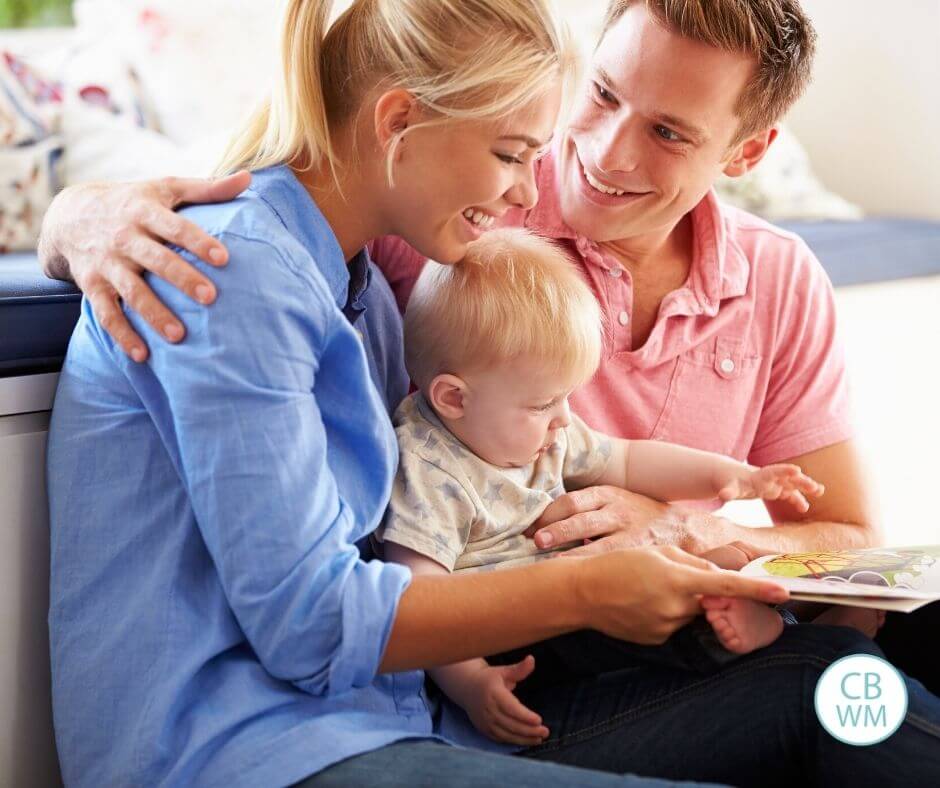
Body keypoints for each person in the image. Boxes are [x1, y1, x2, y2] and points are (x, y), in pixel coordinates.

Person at [42, 0, 940, 785]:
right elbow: (271, 174)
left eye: (669, 132)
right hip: (341, 715)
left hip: (423, 699)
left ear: (747, 151)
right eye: (601, 96)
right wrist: (71, 214)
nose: (583, 160)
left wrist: (690, 529)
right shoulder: (438, 241)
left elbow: (850, 533)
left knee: (860, 669)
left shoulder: (404, 254)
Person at [377, 227, 885, 746]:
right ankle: (735, 630)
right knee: (639, 615)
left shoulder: (537, 428)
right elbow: (420, 598)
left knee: (685, 570)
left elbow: (627, 459)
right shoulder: (427, 470)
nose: (563, 420)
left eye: (567, 398)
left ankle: (744, 601)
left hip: (571, 593)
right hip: (512, 634)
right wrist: (469, 683)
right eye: (542, 405)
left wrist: (732, 475)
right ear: (453, 399)